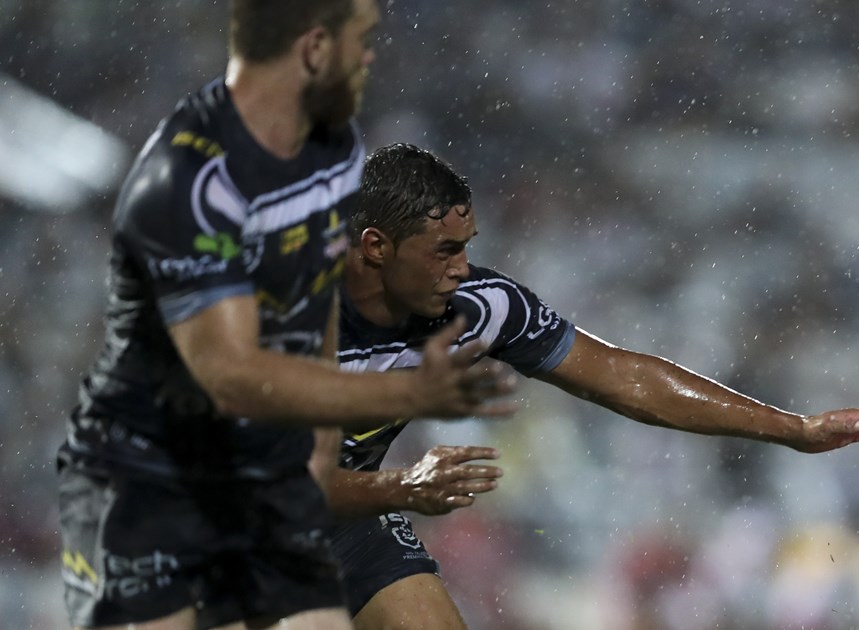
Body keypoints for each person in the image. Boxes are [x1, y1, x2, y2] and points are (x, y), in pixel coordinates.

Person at [315, 143, 859, 629]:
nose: (462, 269)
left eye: (465, 248)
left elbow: (625, 379)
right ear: (376, 247)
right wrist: (401, 486)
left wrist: (794, 429)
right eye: (444, 252)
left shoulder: (481, 305)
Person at [56, 3, 518, 629]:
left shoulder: (330, 157)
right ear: (313, 48)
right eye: (361, 39)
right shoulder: (190, 180)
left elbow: (312, 319)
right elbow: (229, 377)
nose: (370, 56)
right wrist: (409, 404)